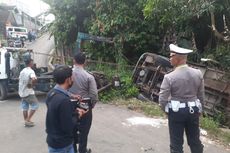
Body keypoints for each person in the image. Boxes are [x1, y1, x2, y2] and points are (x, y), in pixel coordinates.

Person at [159, 44, 204, 153]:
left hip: (176, 112)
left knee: (176, 143)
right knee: (194, 140)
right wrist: (200, 110)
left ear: (177, 58)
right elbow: (201, 95)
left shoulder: (169, 77)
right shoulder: (198, 73)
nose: (169, 59)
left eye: (171, 56)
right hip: (193, 110)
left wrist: (165, 110)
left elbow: (162, 99)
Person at [45, 65, 87, 153]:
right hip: (62, 145)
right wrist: (79, 114)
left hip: (53, 140)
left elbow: (58, 114)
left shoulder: (51, 93)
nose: (73, 79)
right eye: (72, 77)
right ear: (68, 79)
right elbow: (68, 126)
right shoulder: (64, 101)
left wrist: (73, 110)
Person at [69, 52, 98, 153]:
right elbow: (94, 94)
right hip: (85, 105)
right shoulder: (89, 77)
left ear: (74, 60)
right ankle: (82, 150)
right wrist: (91, 105)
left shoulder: (68, 74)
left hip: (70, 105)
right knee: (84, 131)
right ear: (85, 62)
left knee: (71, 130)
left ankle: (73, 150)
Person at [18, 58, 39, 127]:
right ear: (30, 63)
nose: (33, 64)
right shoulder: (31, 71)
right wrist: (32, 84)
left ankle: (26, 120)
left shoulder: (22, 71)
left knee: (25, 107)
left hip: (22, 92)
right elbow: (34, 79)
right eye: (32, 63)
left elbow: (20, 79)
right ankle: (27, 120)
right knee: (35, 105)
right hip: (28, 92)